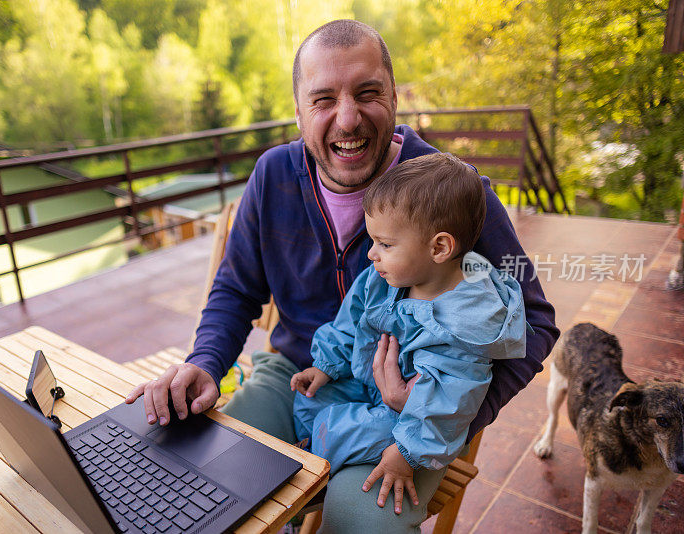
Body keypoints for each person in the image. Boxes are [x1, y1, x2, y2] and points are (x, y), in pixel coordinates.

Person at [126, 19, 559, 533]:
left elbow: (534, 321)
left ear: (394, 96)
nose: (348, 118)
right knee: (201, 474)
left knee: (362, 523)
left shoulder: (454, 196)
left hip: (407, 419)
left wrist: (444, 408)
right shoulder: (272, 176)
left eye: (368, 92)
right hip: (297, 375)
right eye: (324, 99)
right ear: (298, 111)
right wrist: (205, 361)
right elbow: (236, 290)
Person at [290, 153, 529, 515]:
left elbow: (447, 404)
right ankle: (315, 449)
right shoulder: (385, 275)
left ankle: (309, 475)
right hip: (365, 380)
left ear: (439, 248)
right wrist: (326, 364)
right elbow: (353, 320)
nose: (372, 254)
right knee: (311, 395)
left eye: (385, 244)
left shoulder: (463, 323)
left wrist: (405, 453)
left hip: (408, 418)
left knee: (342, 430)